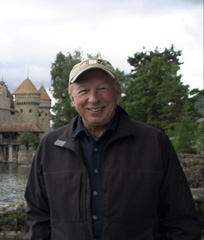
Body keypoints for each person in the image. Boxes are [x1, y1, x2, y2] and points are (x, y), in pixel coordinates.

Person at [24, 59, 201, 239]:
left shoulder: (154, 143)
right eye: (84, 90)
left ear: (117, 92)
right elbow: (38, 216)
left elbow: (181, 220)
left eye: (102, 88)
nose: (93, 99)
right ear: (72, 98)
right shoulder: (50, 146)